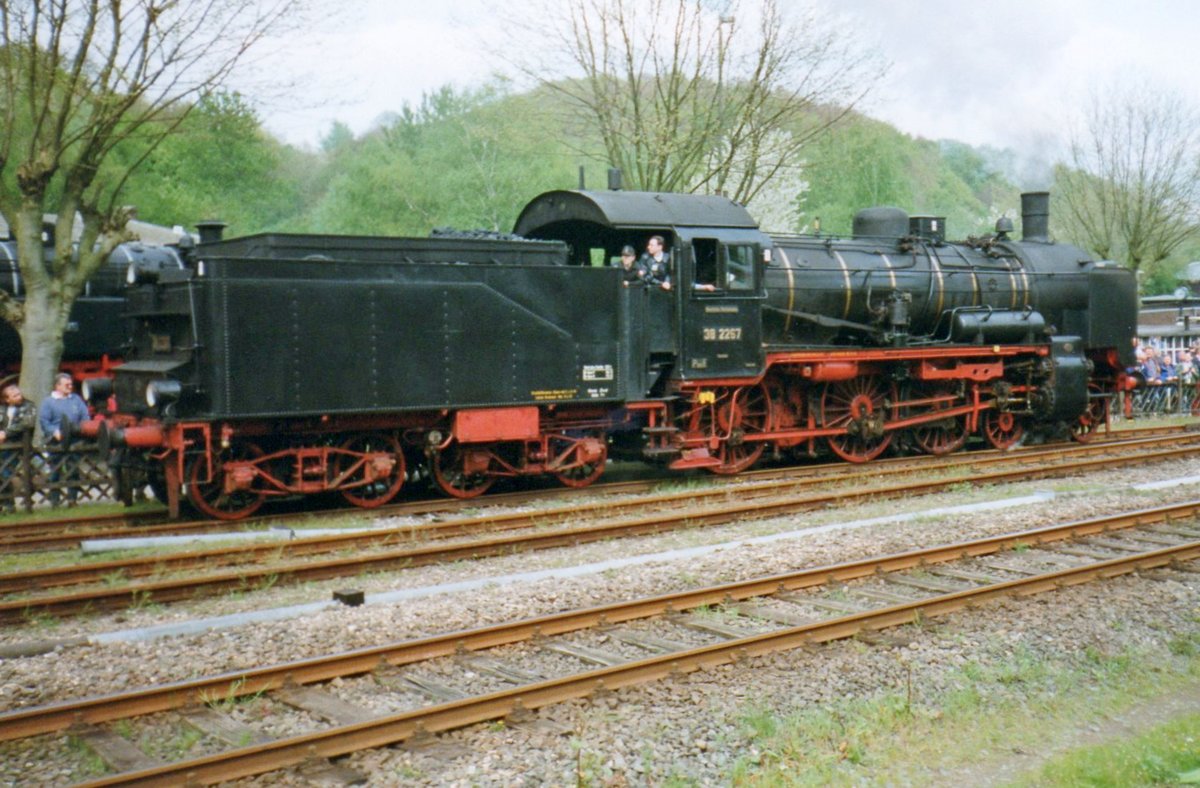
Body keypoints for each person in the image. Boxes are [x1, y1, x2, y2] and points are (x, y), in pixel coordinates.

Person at [38, 373, 89, 506]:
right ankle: (55, 501)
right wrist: (54, 431)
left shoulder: (76, 399)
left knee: (73, 469)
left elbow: (85, 416)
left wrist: (82, 429)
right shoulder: (48, 402)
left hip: (74, 439)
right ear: (57, 386)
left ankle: (72, 499)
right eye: (67, 385)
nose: (70, 387)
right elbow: (44, 422)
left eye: (71, 384)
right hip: (56, 441)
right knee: (55, 470)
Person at [0, 384, 35, 512]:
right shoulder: (2, 408)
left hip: (19, 446)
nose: (19, 397)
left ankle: (8, 503)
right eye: (15, 396)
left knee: (4, 472)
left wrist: (6, 433)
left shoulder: (29, 406)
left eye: (19, 394)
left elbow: (27, 423)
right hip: (3, 446)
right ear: (7, 399)